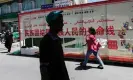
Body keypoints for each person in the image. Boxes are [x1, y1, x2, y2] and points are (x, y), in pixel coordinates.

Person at [39, 10, 70, 80]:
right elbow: (43, 68)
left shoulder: (57, 39)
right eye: (60, 21)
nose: (63, 24)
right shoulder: (45, 41)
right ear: (53, 23)